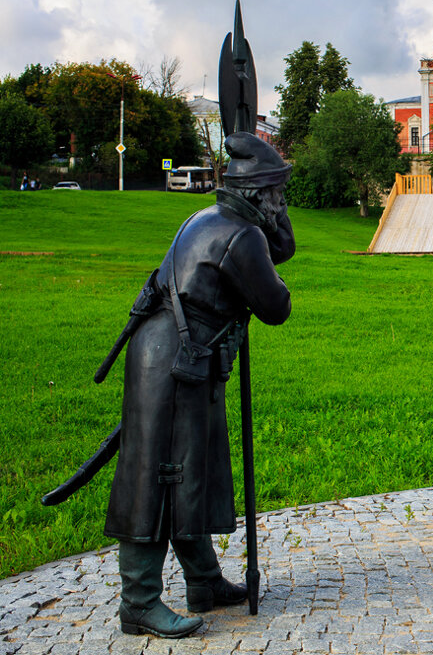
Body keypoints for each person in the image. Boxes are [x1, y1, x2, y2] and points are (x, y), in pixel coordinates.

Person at [105, 132, 295, 638]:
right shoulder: (240, 235)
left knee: (191, 468)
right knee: (155, 474)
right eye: (277, 192)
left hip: (183, 357)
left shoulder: (212, 218)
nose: (283, 201)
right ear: (256, 193)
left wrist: (272, 212)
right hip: (173, 361)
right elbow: (276, 306)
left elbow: (283, 249)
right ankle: (138, 601)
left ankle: (204, 581)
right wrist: (272, 221)